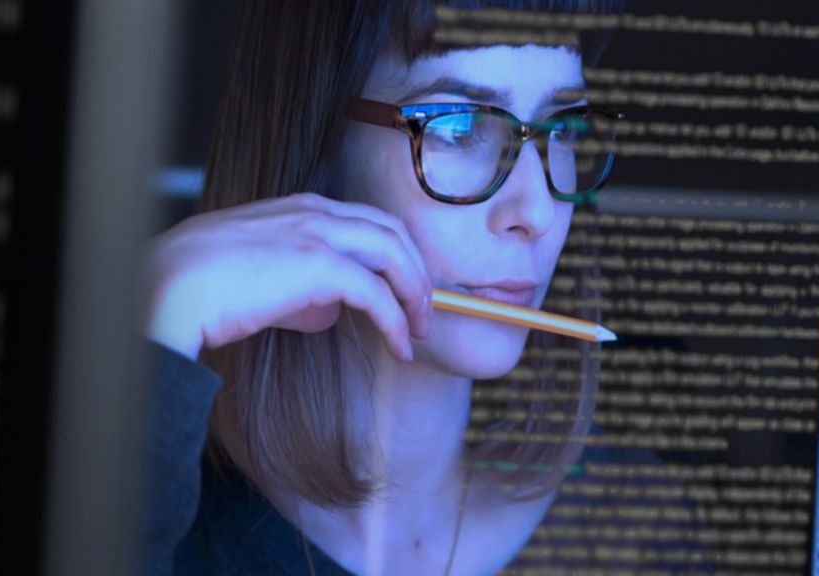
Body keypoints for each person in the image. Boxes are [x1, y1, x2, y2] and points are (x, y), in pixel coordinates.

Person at [144, 0, 621, 574]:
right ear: (317, 139)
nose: (536, 210)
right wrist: (155, 329)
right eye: (458, 126)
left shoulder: (631, 528)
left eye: (562, 128)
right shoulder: (157, 513)